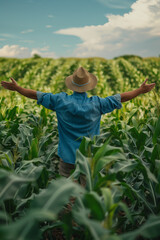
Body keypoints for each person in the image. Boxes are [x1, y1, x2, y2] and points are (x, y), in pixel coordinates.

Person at [1, 66, 156, 187]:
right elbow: (121, 98)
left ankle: (67, 219)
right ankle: (84, 222)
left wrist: (17, 88)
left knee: (65, 193)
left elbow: (35, 94)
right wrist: (141, 90)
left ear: (71, 85)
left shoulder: (60, 101)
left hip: (67, 157)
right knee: (88, 192)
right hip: (88, 158)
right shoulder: (97, 104)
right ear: (88, 86)